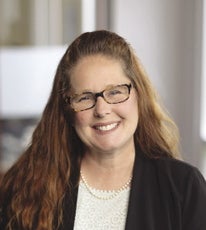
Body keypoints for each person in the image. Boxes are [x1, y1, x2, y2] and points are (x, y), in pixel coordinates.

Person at [0, 30, 206, 230]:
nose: (102, 110)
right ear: (68, 109)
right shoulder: (27, 186)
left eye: (115, 92)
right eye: (85, 97)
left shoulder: (183, 187)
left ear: (138, 95)